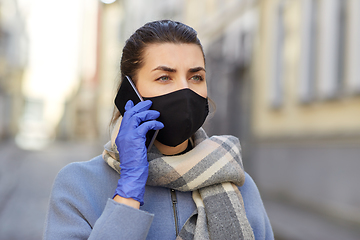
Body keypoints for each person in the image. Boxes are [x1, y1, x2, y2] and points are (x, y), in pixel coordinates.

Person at [43, 20, 274, 240]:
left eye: (196, 77)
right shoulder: (77, 185)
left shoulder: (237, 183)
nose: (185, 90)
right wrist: (128, 192)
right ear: (130, 93)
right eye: (164, 77)